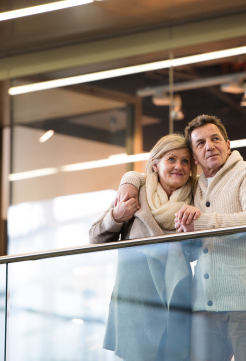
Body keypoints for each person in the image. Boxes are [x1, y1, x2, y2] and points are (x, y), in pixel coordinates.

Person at [117, 115, 246, 361]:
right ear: (194, 157)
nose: (209, 146)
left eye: (215, 139)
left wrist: (200, 223)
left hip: (245, 305)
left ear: (228, 144)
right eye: (200, 143)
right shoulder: (195, 187)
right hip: (202, 310)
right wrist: (129, 179)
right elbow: (155, 174)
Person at [90, 134, 197, 361]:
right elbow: (95, 238)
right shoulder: (135, 191)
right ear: (155, 165)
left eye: (185, 161)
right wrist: (116, 216)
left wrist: (191, 235)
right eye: (171, 159)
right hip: (136, 302)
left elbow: (197, 252)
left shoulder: (196, 197)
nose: (179, 166)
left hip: (176, 298)